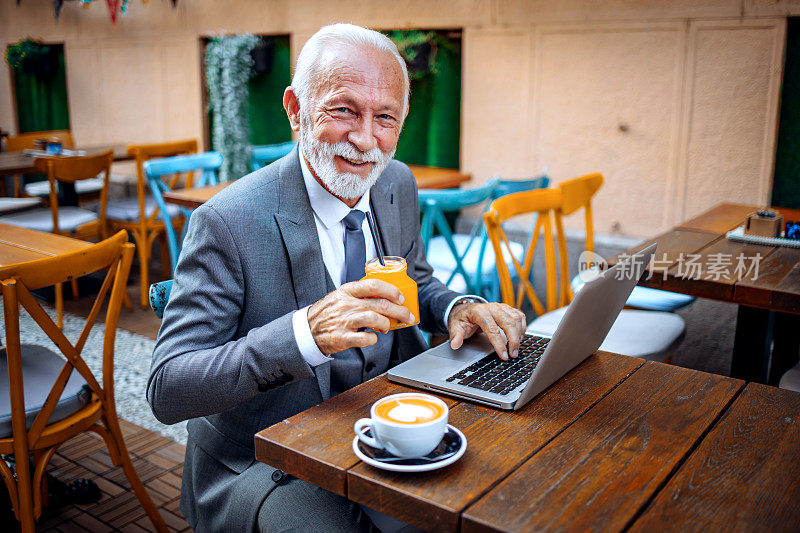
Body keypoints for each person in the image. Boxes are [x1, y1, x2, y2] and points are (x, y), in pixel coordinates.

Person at [148, 23, 526, 532]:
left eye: (385, 117)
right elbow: (167, 387)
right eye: (343, 109)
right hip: (269, 456)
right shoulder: (226, 221)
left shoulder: (395, 182)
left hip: (384, 415)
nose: (366, 139)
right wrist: (306, 332)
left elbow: (416, 280)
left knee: (498, 494)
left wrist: (459, 307)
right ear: (295, 110)